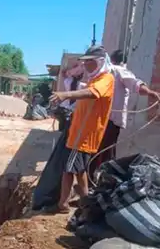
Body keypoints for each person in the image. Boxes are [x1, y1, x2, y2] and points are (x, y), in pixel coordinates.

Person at [49, 45, 116, 213]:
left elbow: (93, 93)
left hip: (84, 136)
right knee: (79, 169)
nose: (86, 65)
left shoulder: (106, 79)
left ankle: (63, 204)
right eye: (85, 62)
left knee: (68, 169)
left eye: (90, 62)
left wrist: (66, 94)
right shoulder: (94, 80)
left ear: (100, 62)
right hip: (78, 133)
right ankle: (86, 200)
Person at [93, 50, 160, 168]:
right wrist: (150, 93)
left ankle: (96, 177)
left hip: (98, 118)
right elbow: (136, 85)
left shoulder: (101, 72)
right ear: (123, 62)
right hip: (110, 119)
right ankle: (102, 178)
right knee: (105, 152)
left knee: (99, 151)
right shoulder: (119, 70)